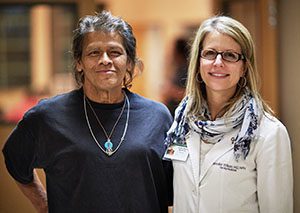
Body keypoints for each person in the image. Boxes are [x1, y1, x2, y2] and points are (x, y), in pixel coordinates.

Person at [2, 11, 173, 212]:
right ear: (79, 63)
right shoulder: (47, 117)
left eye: (115, 52)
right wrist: (43, 204)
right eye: (94, 53)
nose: (105, 60)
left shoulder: (158, 116)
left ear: (129, 62)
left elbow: (171, 189)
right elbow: (15, 162)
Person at [164, 16, 293, 213]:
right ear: (198, 62)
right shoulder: (182, 123)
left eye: (230, 55)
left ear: (244, 67)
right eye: (209, 53)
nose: (218, 62)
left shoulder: (269, 133)